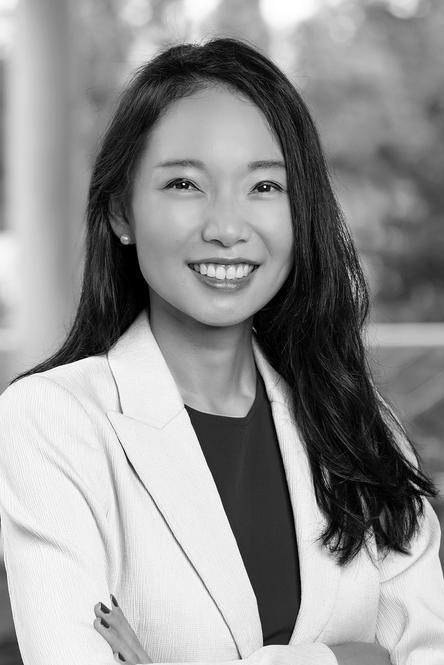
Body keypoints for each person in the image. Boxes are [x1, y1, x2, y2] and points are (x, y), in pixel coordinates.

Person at [0, 37, 443, 665]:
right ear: (122, 211)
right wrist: (350, 658)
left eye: (264, 186)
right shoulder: (52, 420)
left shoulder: (359, 423)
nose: (228, 228)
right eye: (185, 183)